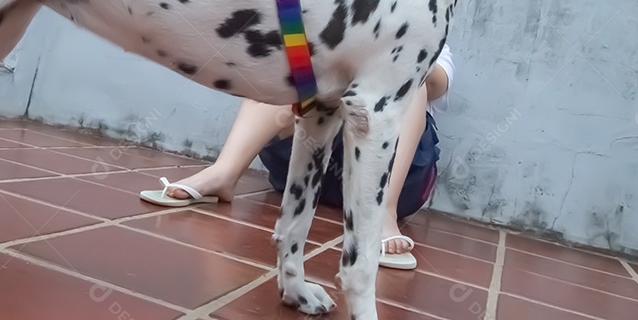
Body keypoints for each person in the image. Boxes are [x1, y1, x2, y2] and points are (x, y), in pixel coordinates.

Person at [141, 44, 454, 270]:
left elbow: (437, 83)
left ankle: (381, 215)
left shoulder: (423, 15)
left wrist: (385, 53)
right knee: (298, 56)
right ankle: (223, 174)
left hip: (393, 172)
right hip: (306, 159)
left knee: (411, 69)